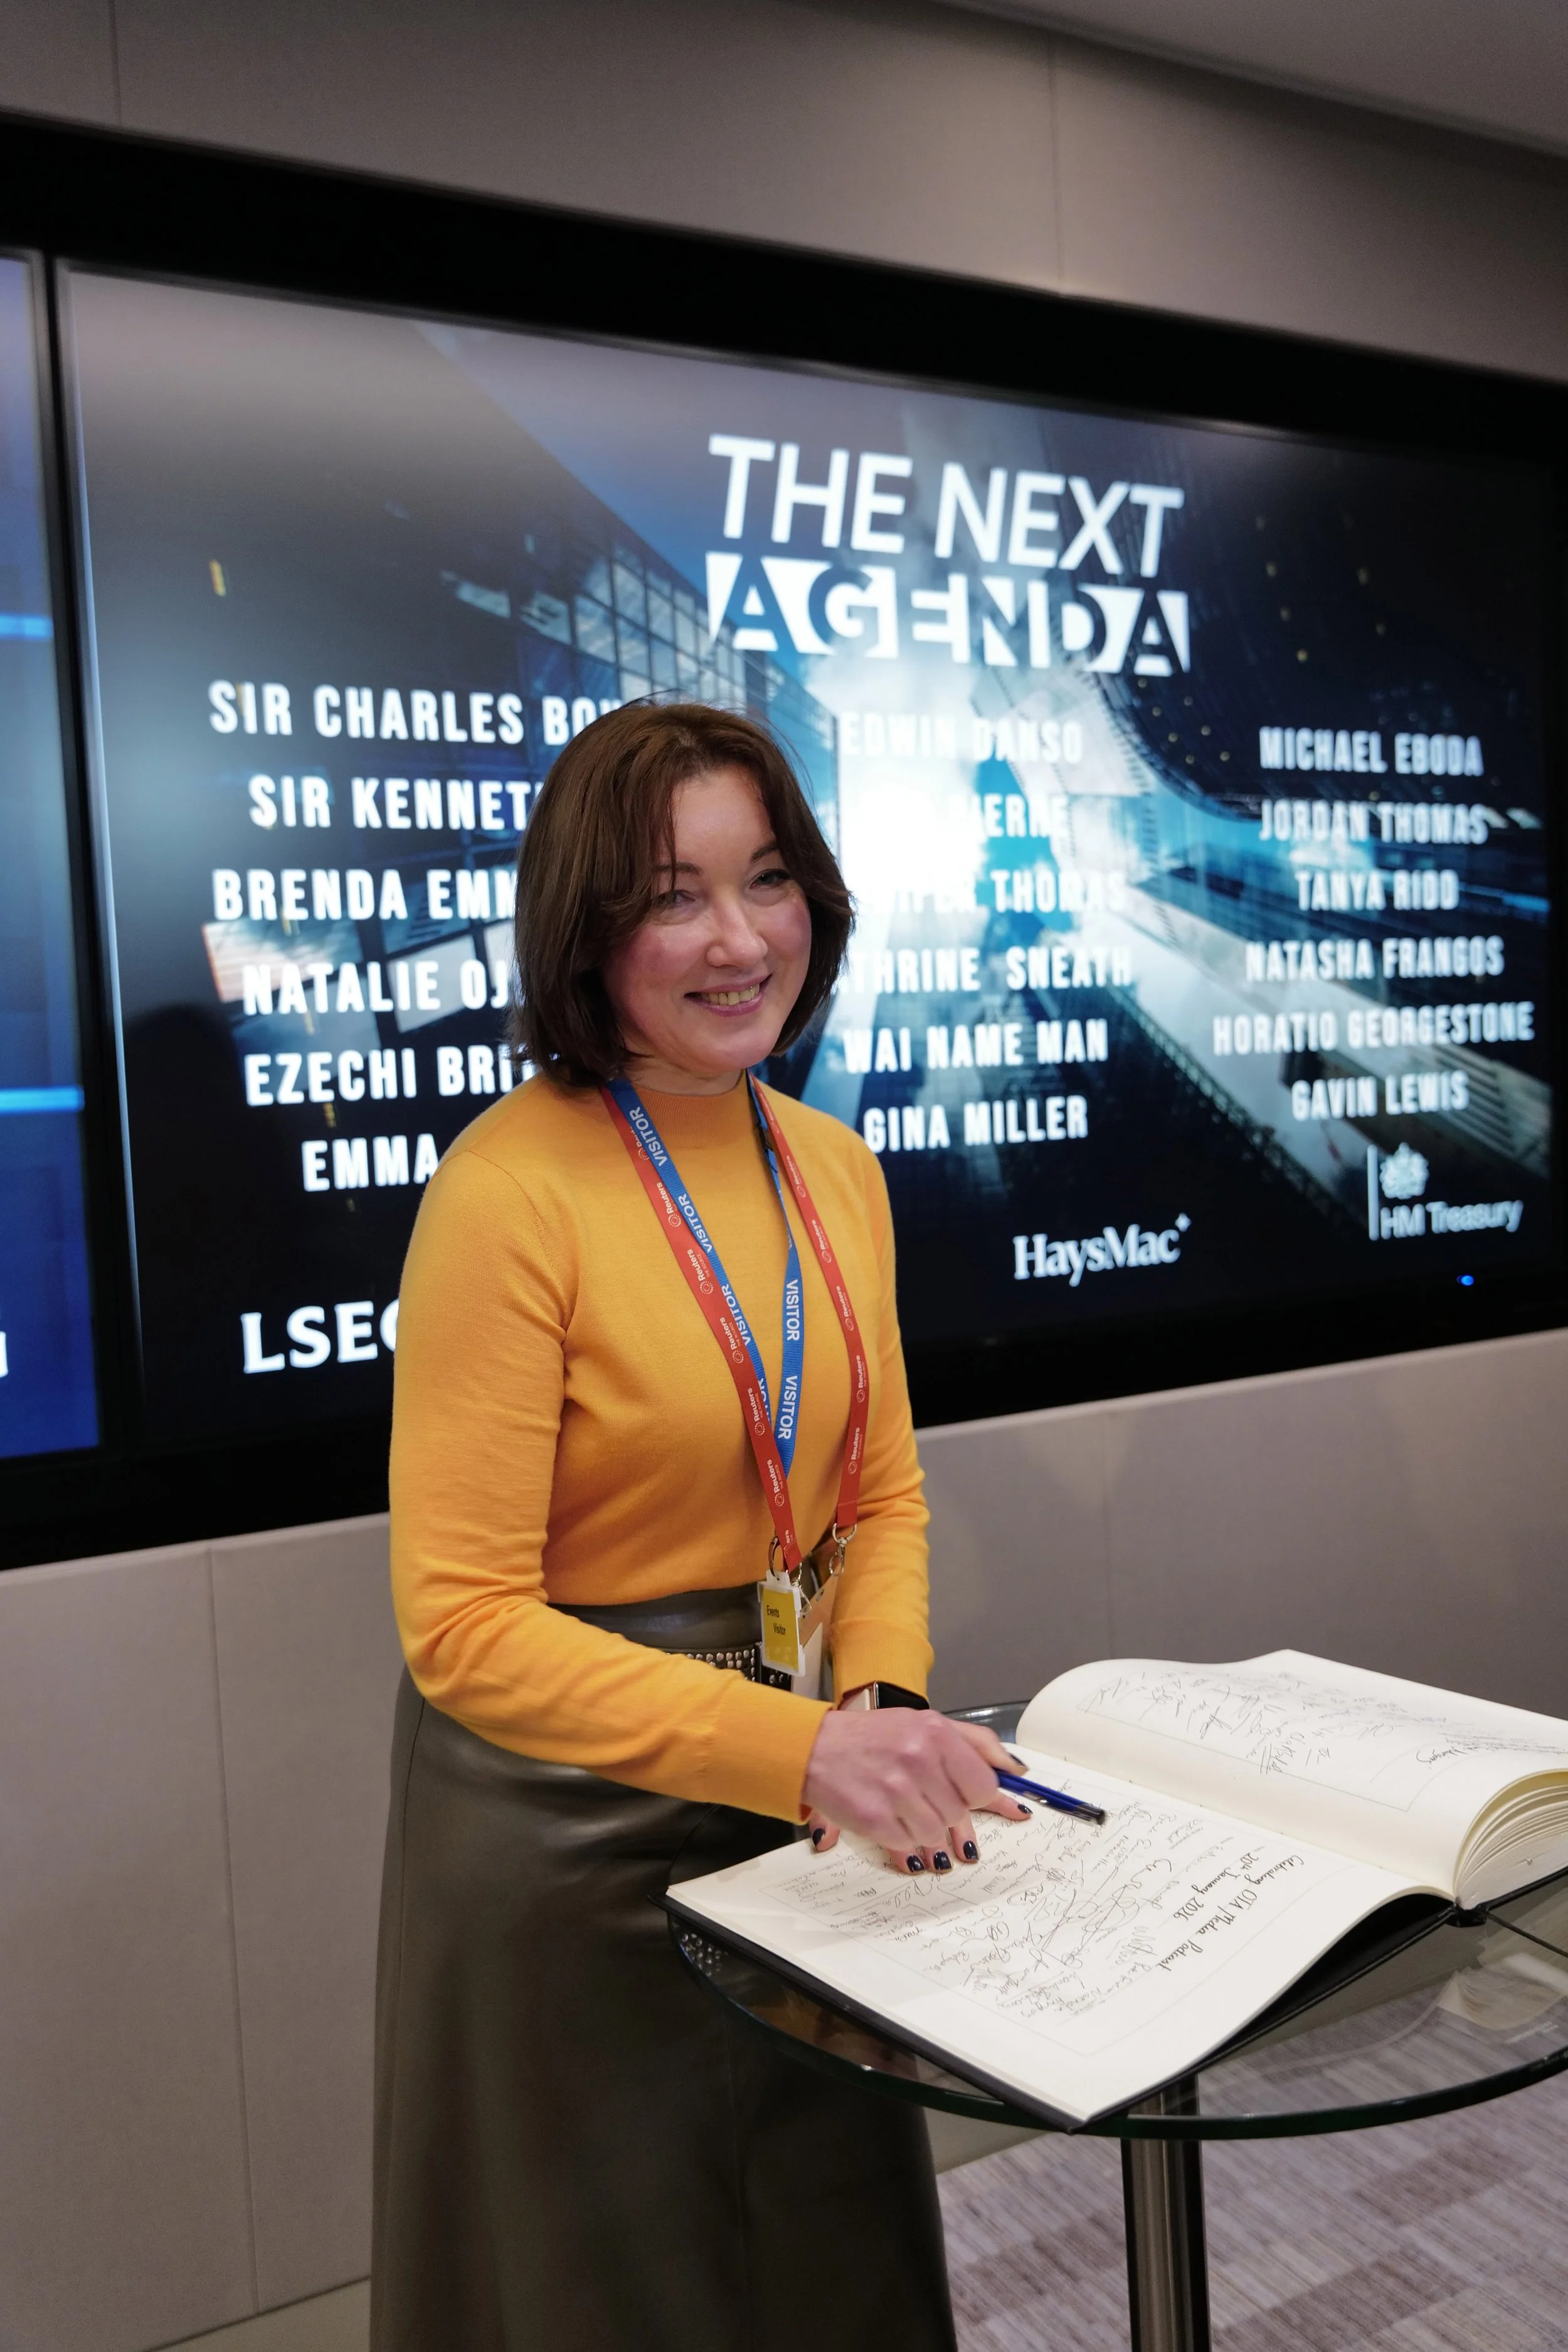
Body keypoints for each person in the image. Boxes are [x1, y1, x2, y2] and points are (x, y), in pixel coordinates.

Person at [373, 701, 1025, 2352]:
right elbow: (460, 1626)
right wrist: (802, 1750)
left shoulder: (834, 1165)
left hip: (801, 1795)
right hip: (564, 1831)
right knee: (617, 2291)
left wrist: (871, 1696)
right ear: (586, 927)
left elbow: (875, 1490)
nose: (737, 940)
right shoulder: (503, 1190)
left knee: (825, 2258)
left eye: (767, 879)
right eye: (673, 894)